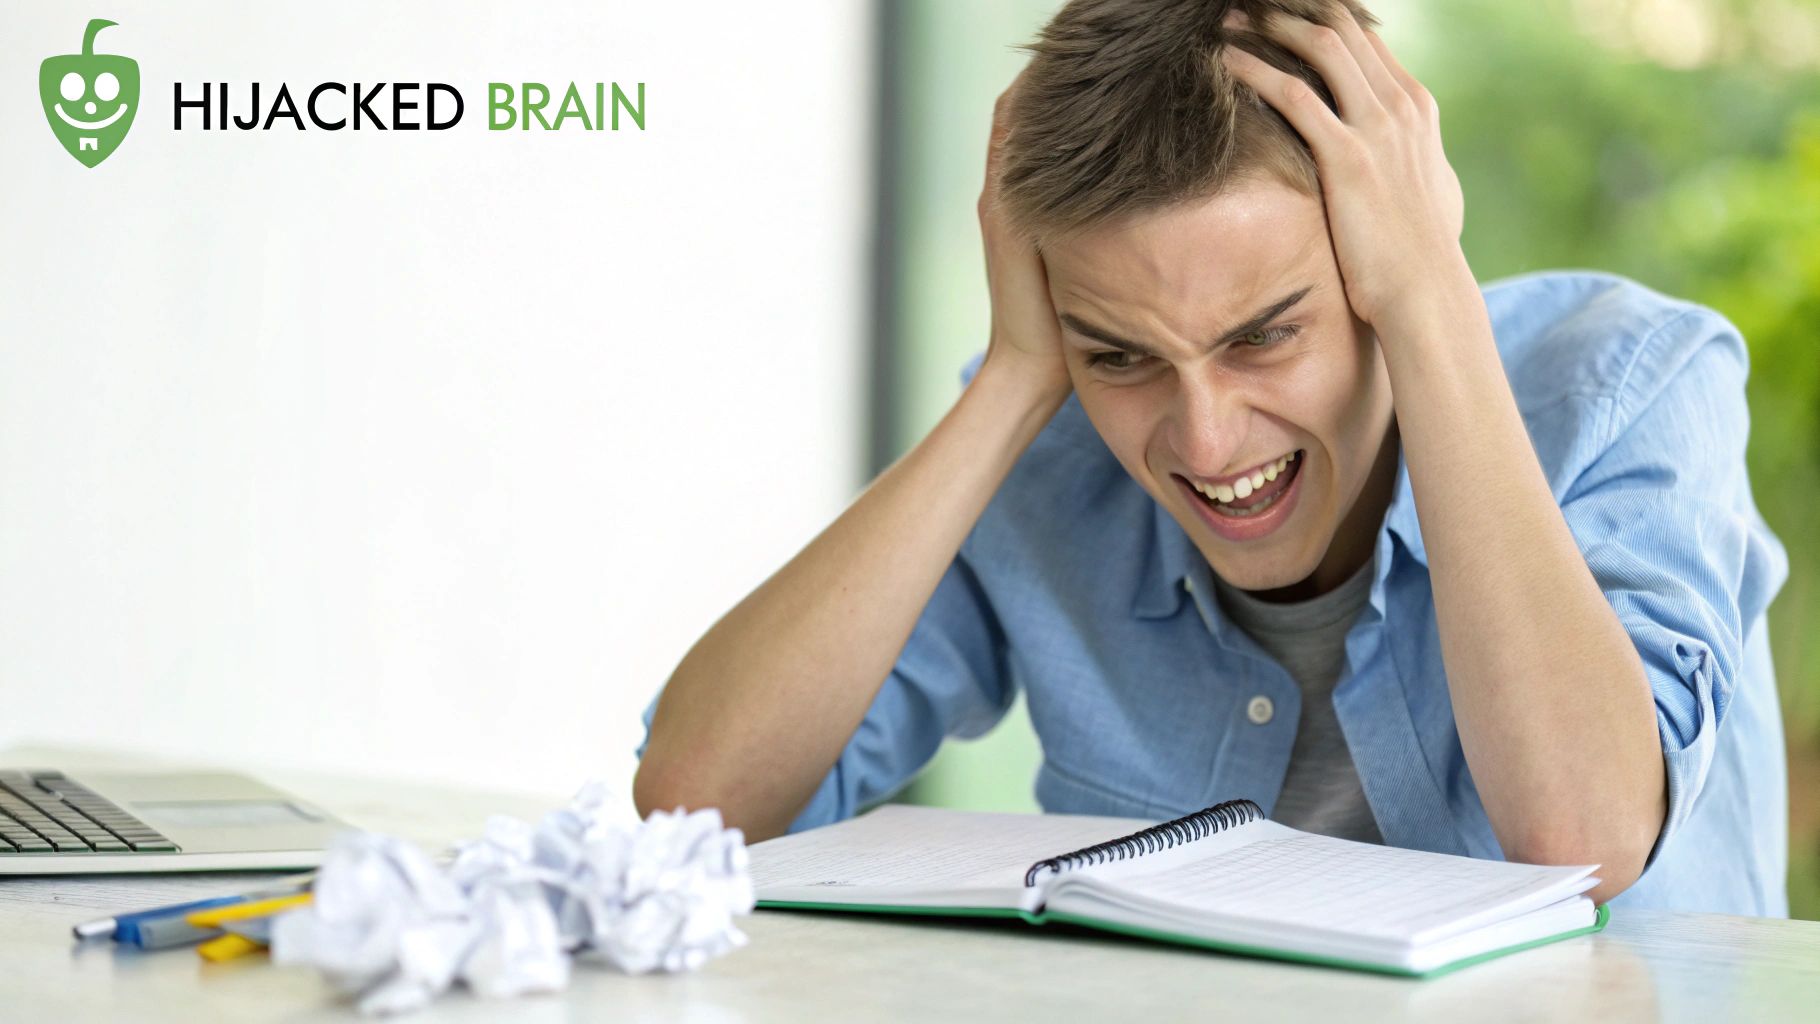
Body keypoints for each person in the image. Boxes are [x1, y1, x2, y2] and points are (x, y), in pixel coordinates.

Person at [633, 0, 1789, 914]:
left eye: (1262, 336)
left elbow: (1581, 838)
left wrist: (1429, 299)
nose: (1201, 437)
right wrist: (1017, 377)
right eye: (1122, 353)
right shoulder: (1055, 449)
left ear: (1380, 256)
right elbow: (693, 808)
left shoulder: (1633, 384)